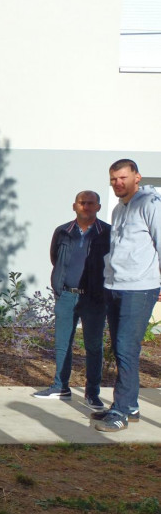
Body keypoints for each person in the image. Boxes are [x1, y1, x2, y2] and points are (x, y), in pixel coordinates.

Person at [94, 159, 161, 432]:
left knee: (125, 347)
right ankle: (130, 406)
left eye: (123, 177)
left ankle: (120, 411)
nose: (118, 183)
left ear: (137, 177)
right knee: (123, 349)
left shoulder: (150, 203)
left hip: (140, 287)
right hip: (115, 286)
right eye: (113, 179)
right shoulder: (119, 209)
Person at [33, 191, 110, 409]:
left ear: (98, 207)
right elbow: (55, 258)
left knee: (94, 346)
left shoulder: (107, 233)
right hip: (67, 294)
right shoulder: (62, 232)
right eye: (81, 203)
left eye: (90, 203)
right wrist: (60, 286)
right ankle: (60, 387)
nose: (86, 206)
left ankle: (92, 393)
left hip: (94, 298)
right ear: (74, 206)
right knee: (62, 343)